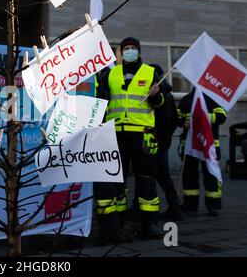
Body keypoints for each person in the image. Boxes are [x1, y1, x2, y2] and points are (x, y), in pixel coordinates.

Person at [95, 37, 164, 243]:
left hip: (143, 134)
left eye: (133, 48)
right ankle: (120, 221)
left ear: (139, 51)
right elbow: (101, 100)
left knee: (146, 179)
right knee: (117, 179)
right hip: (116, 133)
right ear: (121, 52)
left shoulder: (151, 73)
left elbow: (159, 103)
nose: (130, 51)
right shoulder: (111, 74)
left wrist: (155, 96)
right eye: (126, 48)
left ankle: (149, 222)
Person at [177, 88, 227, 216]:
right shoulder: (186, 99)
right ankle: (190, 204)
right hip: (189, 146)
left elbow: (222, 116)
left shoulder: (213, 98)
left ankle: (213, 205)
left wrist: (204, 118)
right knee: (188, 176)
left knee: (211, 175)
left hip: (209, 146)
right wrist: (184, 122)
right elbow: (176, 117)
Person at [149, 64, 183, 221]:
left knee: (158, 174)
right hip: (164, 140)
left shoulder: (160, 96)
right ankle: (174, 206)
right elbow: (174, 121)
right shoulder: (169, 95)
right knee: (159, 174)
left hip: (156, 141)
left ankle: (174, 206)